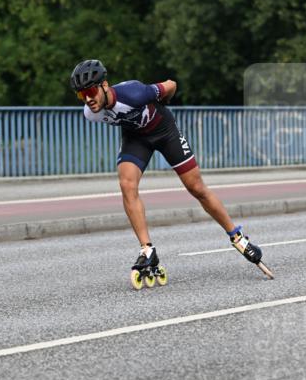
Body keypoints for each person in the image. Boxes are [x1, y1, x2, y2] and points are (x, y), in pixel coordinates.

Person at [69, 58, 265, 279]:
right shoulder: (90, 113)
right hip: (136, 139)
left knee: (196, 188)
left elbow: (171, 84)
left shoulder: (135, 92)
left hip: (165, 132)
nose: (87, 99)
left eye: (91, 91)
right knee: (126, 184)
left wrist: (164, 100)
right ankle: (147, 249)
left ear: (104, 86)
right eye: (80, 95)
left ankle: (237, 237)